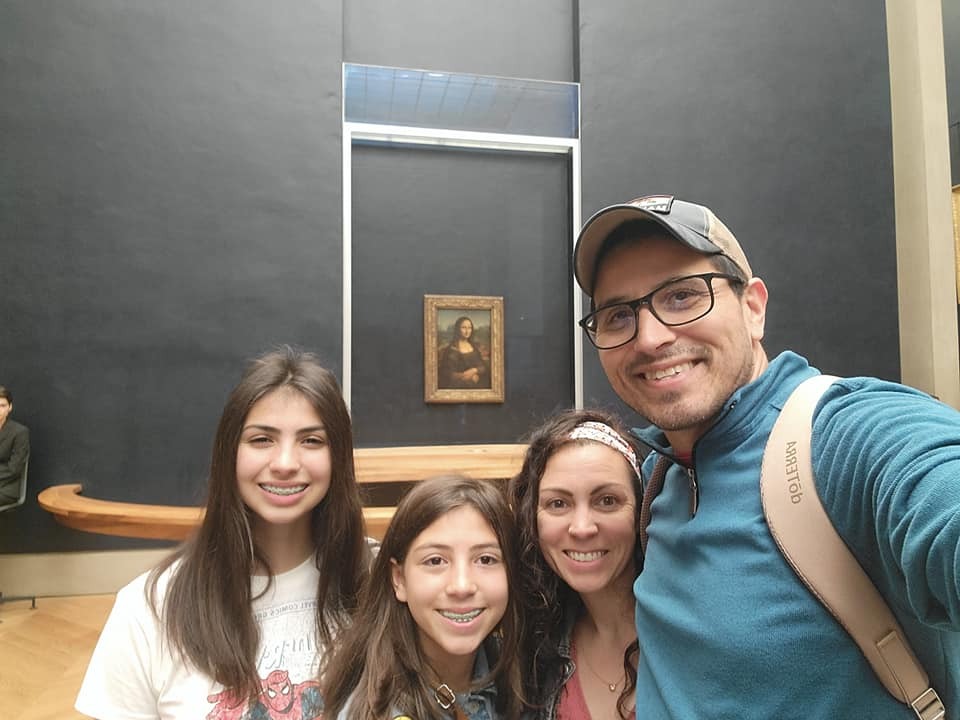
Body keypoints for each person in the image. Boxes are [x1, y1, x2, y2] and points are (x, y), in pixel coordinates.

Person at [572, 194, 960, 718]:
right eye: (618, 315)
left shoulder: (841, 436)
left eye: (682, 296)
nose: (650, 338)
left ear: (753, 308)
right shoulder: (658, 479)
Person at [76, 347, 373, 720]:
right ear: (229, 452)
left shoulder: (381, 581)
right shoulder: (150, 606)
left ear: (339, 458)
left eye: (311, 441)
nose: (285, 463)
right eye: (261, 439)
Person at [323, 475, 526, 720]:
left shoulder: (524, 673)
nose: (462, 586)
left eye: (486, 559)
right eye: (435, 561)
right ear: (399, 579)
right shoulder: (375, 709)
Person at [509, 409, 641, 720]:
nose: (582, 528)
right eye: (558, 503)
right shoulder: (533, 651)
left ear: (641, 509)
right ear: (532, 519)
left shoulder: (689, 634)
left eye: (607, 501)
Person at [438, 316, 490, 389]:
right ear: (458, 329)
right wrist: (469, 377)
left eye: (469, 328)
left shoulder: (474, 347)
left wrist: (474, 370)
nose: (467, 331)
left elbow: (483, 367)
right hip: (459, 387)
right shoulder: (452, 350)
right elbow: (447, 373)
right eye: (464, 327)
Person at [0, 386, 30, 505]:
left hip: (5, 487)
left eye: (2, 406)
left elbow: (14, 469)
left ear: (10, 407)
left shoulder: (20, 432)